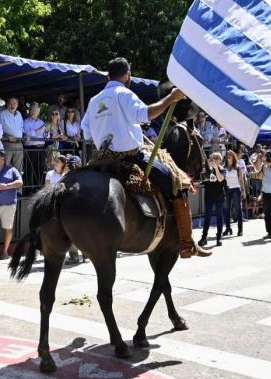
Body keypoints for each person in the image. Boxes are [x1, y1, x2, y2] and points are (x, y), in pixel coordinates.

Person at [80, 57, 211, 258]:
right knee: (177, 183)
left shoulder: (94, 100)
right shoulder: (124, 94)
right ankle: (186, 243)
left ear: (108, 76)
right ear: (127, 75)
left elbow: (86, 134)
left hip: (101, 160)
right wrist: (171, 98)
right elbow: (146, 114)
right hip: (130, 158)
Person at [0, 149, 22, 259]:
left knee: (7, 228)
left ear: (2, 159)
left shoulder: (12, 170)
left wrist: (7, 186)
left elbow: (20, 183)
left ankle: (5, 252)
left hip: (8, 205)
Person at [199, 152, 226, 248]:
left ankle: (219, 237)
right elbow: (202, 179)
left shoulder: (223, 170)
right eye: (213, 158)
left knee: (219, 217)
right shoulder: (207, 170)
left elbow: (220, 179)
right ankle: (204, 237)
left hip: (219, 197)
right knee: (207, 217)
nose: (214, 159)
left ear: (220, 160)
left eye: (217, 158)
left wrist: (216, 169)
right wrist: (208, 168)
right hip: (209, 197)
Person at [0, 97, 24, 171]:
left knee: (19, 167)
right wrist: (7, 136)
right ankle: (5, 182)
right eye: (10, 103)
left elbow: (22, 128)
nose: (12, 105)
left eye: (14, 103)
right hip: (7, 143)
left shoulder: (19, 114)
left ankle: (18, 182)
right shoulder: (2, 114)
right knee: (5, 166)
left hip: (19, 143)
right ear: (7, 104)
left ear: (17, 105)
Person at [222, 150, 245, 237]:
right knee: (226, 210)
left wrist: (243, 191)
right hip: (227, 190)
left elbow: (241, 180)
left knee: (238, 209)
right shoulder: (223, 167)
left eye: (230, 155)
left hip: (236, 189)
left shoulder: (238, 167)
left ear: (233, 157)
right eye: (227, 155)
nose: (228, 156)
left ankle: (240, 230)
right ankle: (228, 228)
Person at [23, 104, 47, 186]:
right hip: (30, 148)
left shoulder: (42, 122)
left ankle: (39, 188)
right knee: (29, 169)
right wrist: (39, 130)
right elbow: (29, 134)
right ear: (29, 111)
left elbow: (44, 135)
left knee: (40, 168)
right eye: (32, 110)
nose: (34, 112)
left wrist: (44, 132)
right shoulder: (26, 121)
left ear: (38, 112)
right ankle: (29, 189)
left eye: (35, 110)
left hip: (41, 148)